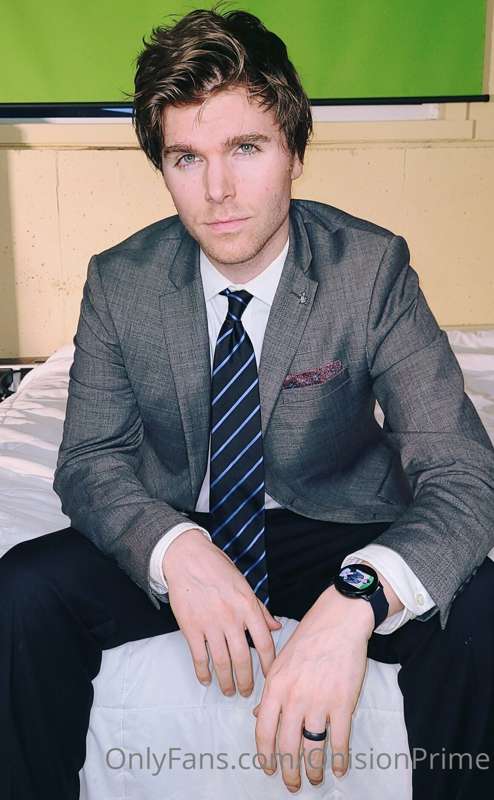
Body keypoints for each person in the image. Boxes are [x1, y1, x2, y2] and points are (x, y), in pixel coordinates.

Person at [2, 5, 494, 799]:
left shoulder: (370, 270)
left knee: (480, 612)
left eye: (246, 148)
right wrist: (175, 550)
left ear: (294, 151)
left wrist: (360, 598)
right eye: (187, 158)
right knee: (22, 592)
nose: (218, 191)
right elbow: (90, 461)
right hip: (181, 517)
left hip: (331, 524)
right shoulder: (120, 281)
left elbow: (463, 472)